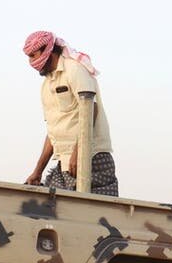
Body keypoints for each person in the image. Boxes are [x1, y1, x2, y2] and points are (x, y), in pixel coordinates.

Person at [22, 30, 119, 196]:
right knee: (49, 205)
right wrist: (38, 171)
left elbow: (91, 109)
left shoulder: (74, 69)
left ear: (48, 50)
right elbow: (53, 132)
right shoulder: (47, 85)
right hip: (65, 161)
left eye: (33, 55)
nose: (31, 62)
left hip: (91, 158)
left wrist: (79, 153)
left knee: (92, 208)